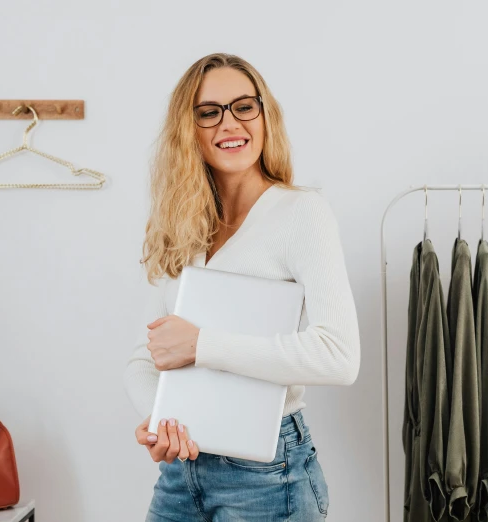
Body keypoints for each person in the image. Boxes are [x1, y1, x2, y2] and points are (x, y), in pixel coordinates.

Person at [123, 53, 361, 521]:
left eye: (243, 106)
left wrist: (203, 345)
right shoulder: (184, 223)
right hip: (180, 473)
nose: (229, 123)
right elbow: (143, 358)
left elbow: (339, 355)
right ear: (188, 129)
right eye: (209, 112)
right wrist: (163, 421)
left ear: (264, 114)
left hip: (267, 474)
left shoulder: (300, 214)